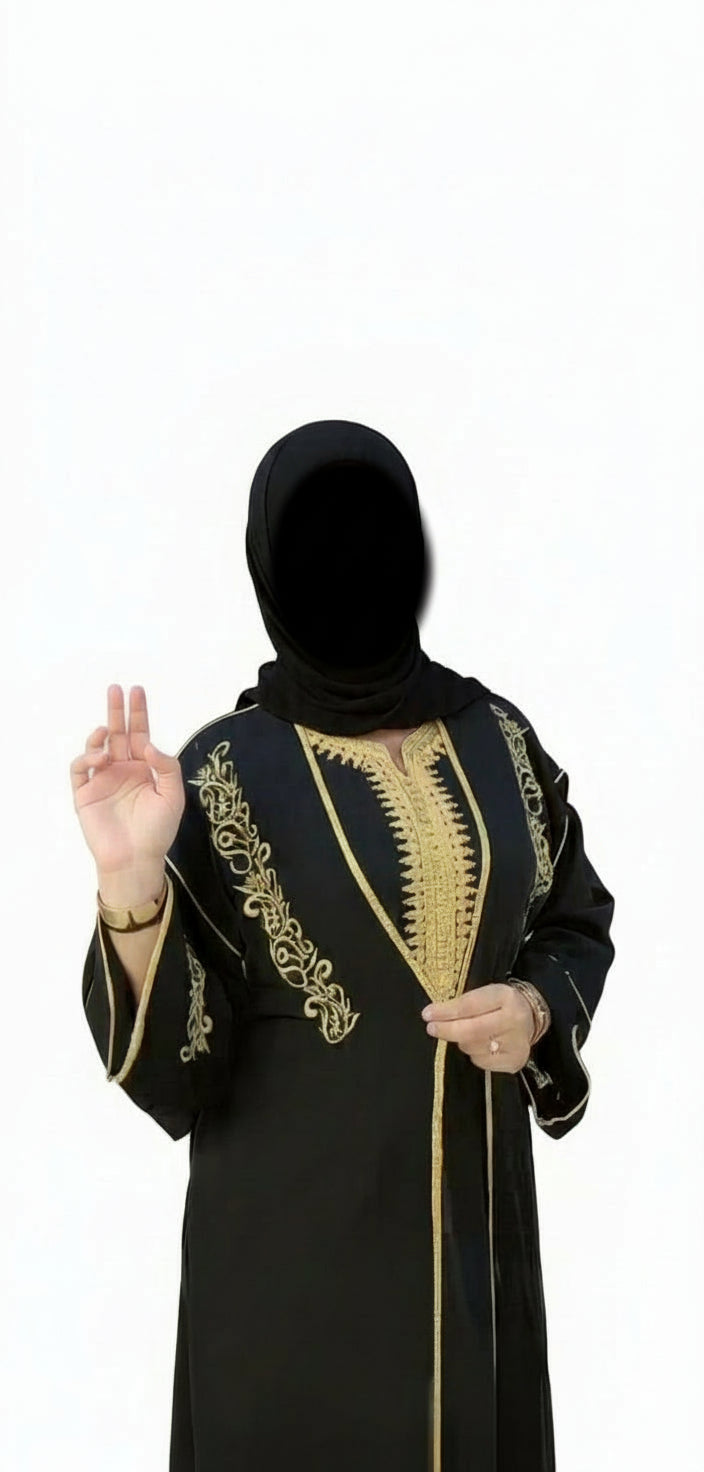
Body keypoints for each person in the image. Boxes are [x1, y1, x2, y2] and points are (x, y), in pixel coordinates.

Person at [71, 418, 615, 1472]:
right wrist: (130, 879)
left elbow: (572, 914)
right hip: (291, 1300)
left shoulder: (498, 740)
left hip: (476, 1267)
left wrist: (535, 1007)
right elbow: (177, 1074)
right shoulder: (220, 774)